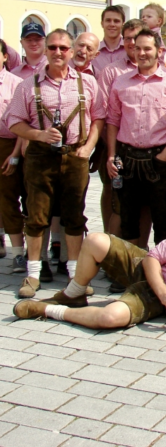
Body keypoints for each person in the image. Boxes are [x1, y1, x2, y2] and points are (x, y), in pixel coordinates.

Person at [13, 203, 166, 332]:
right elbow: (152, 258)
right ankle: (73, 295)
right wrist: (161, 289)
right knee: (95, 240)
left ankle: (47, 311)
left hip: (160, 300)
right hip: (150, 272)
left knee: (110, 317)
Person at [5, 29, 105, 298]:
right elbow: (13, 121)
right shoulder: (29, 84)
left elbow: (99, 118)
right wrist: (38, 134)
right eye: (53, 48)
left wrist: (88, 146)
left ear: (72, 52)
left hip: (75, 155)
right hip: (40, 156)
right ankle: (33, 274)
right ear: (46, 51)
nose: (58, 52)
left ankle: (75, 275)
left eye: (63, 48)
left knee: (74, 214)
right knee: (37, 215)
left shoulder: (87, 83)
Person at [106, 29, 166, 247]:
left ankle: (162, 270)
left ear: (159, 51)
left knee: (162, 221)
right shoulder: (121, 82)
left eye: (147, 48)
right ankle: (133, 270)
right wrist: (111, 155)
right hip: (127, 158)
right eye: (137, 48)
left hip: (158, 160)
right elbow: (113, 121)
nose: (141, 53)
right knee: (128, 219)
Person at [97, 19, 147, 236]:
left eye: (137, 38)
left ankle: (139, 251)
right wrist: (111, 150)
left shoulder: (163, 73)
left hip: (148, 151)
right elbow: (103, 113)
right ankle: (111, 248)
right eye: (128, 38)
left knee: (144, 203)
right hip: (115, 146)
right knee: (114, 198)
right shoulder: (111, 72)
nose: (132, 43)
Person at [0, 40, 25, 270]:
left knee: (8, 199)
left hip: (7, 146)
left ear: (5, 57)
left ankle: (18, 252)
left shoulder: (16, 84)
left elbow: (22, 122)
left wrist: (16, 154)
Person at [94, 6, 126, 72]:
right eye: (108, 20)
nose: (112, 24)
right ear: (102, 24)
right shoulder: (93, 52)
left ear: (123, 24)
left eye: (116, 21)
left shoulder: (130, 50)